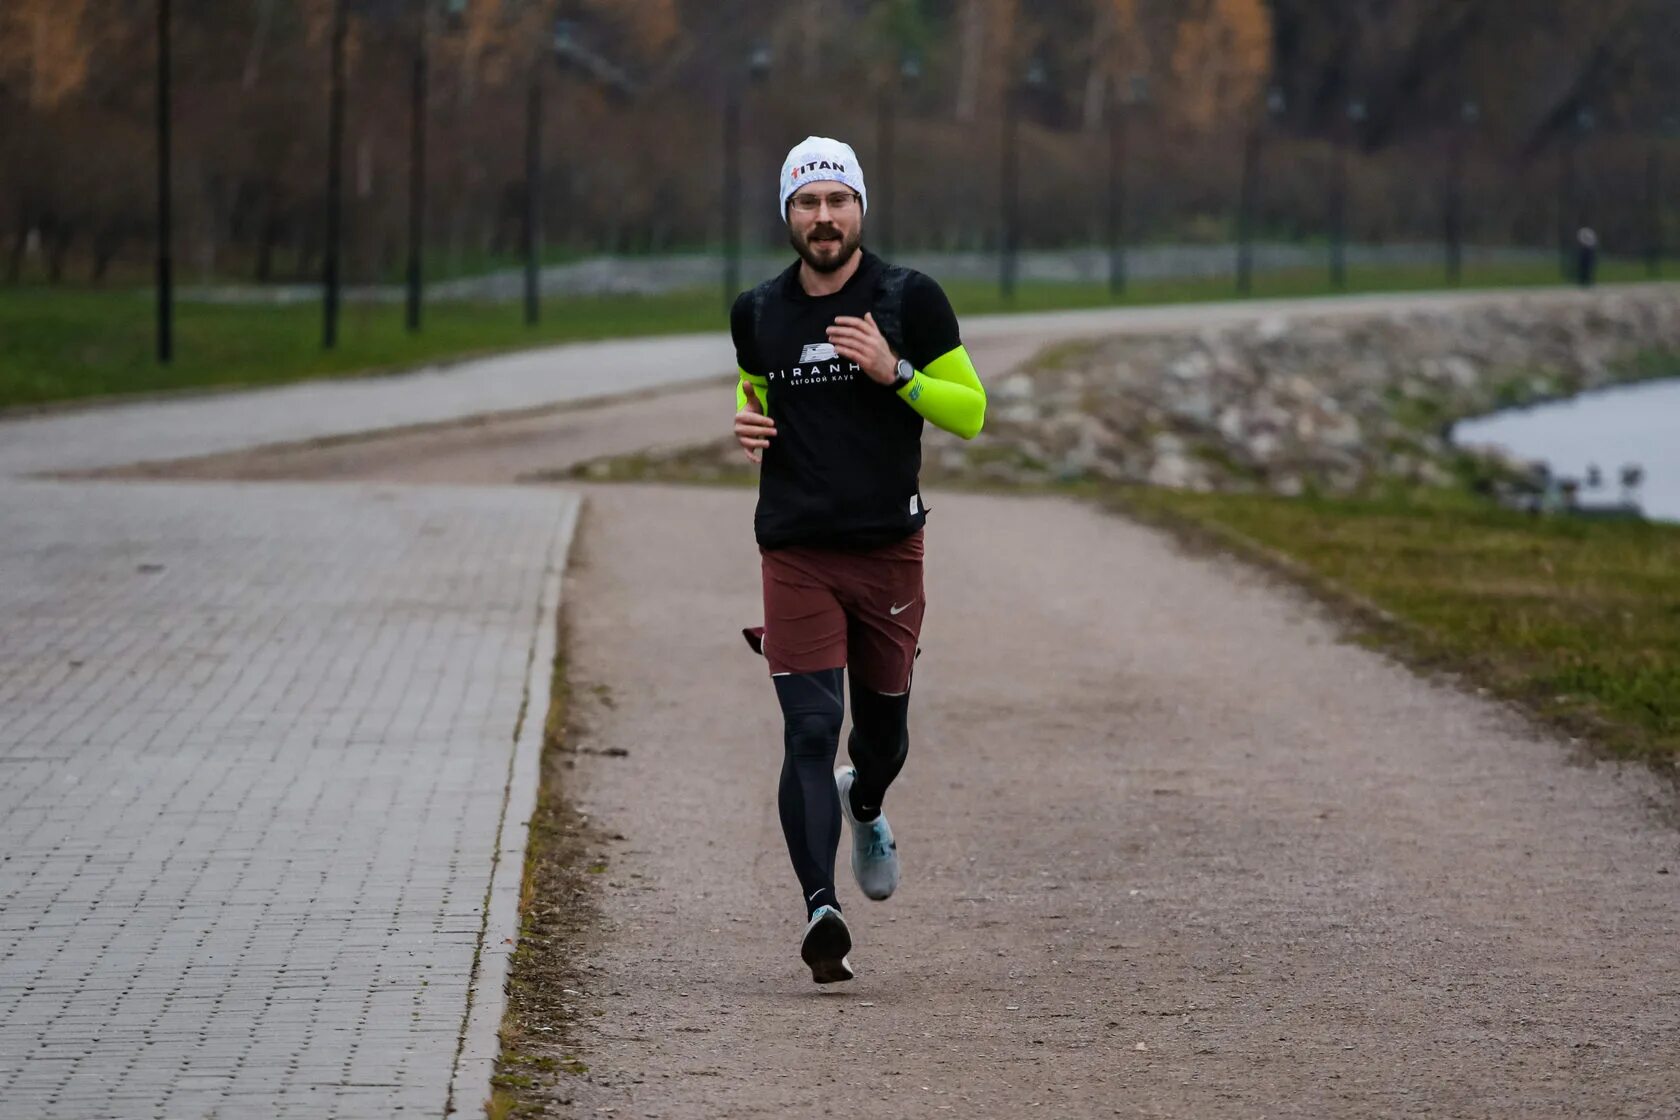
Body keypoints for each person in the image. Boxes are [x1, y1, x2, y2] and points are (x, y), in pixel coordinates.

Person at [729, 136, 987, 984]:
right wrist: (747, 418)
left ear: (860, 208)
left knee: (881, 737)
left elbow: (971, 413)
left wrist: (895, 371)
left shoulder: (911, 299)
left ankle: (867, 803)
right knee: (808, 728)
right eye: (807, 203)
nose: (824, 217)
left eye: (837, 200)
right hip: (796, 547)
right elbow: (757, 386)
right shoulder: (758, 311)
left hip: (886, 551)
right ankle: (821, 911)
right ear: (788, 215)